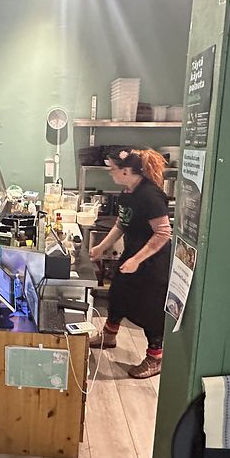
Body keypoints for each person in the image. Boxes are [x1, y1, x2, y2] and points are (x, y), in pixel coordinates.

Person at [88, 147, 172, 378]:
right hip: (133, 253)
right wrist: (101, 247)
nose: (110, 173)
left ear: (126, 171)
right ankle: (109, 335)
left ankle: (155, 358)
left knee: (149, 309)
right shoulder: (127, 192)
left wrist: (136, 260)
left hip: (153, 261)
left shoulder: (150, 195)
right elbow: (121, 224)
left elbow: (163, 233)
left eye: (113, 170)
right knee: (118, 293)